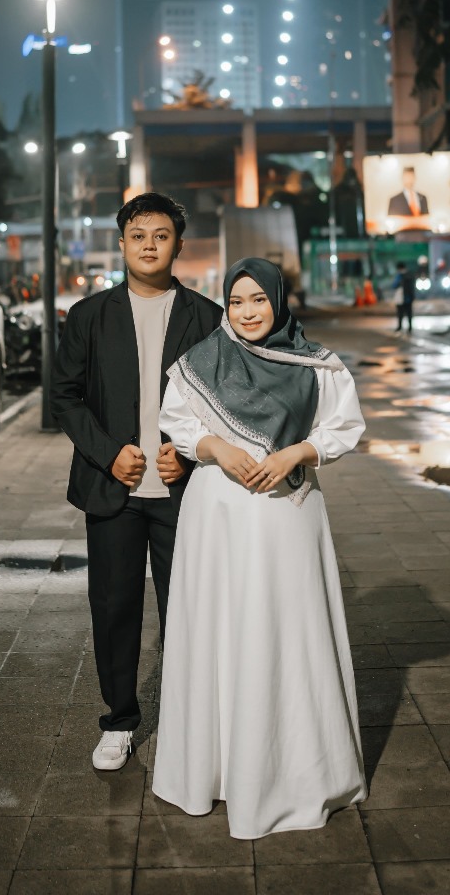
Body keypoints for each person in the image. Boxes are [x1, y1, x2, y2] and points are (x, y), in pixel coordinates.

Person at [152, 257, 367, 839]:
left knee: (285, 629)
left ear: (278, 301)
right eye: (237, 301)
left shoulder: (316, 364)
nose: (247, 312)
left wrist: (296, 452)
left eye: (259, 300)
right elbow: (177, 421)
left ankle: (290, 775)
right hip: (217, 515)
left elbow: (344, 427)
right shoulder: (201, 360)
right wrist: (217, 449)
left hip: (286, 514)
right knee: (220, 629)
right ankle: (216, 770)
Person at [50, 192, 222, 772]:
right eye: (139, 235)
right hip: (114, 492)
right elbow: (65, 398)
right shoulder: (89, 316)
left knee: (189, 610)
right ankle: (120, 721)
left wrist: (189, 457)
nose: (150, 245)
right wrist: (107, 455)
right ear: (122, 243)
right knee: (114, 608)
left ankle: (189, 722)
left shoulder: (208, 318)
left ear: (178, 245)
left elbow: (224, 405)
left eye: (161, 236)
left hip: (183, 493)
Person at [392, 260, 416, 332]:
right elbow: (412, 287)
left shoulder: (399, 276)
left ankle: (400, 327)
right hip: (407, 297)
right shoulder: (410, 275)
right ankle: (409, 328)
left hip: (402, 298)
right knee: (409, 313)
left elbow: (394, 285)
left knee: (400, 313)